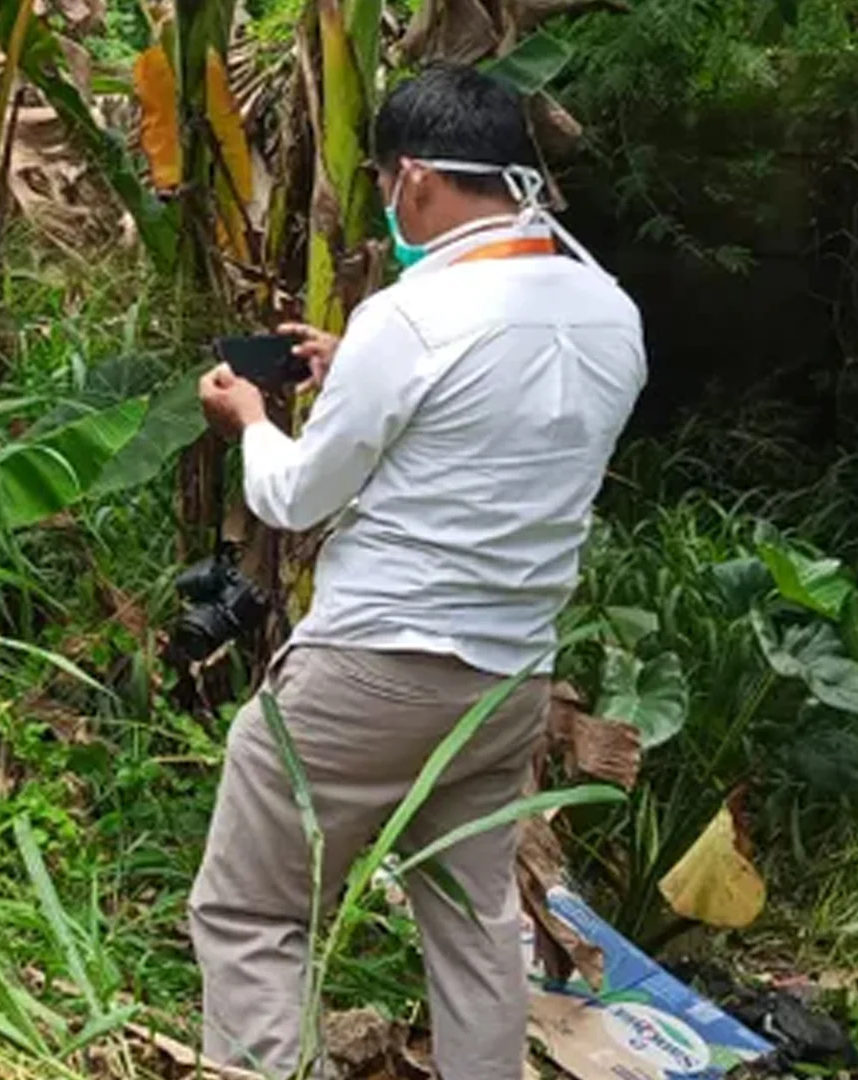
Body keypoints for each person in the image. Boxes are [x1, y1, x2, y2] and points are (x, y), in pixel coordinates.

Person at [191, 64, 646, 1080]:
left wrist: (251, 419)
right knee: (473, 924)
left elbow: (295, 497)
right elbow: (497, 416)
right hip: (506, 681)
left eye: (385, 181)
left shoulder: (411, 316)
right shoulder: (611, 309)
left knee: (255, 909)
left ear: (418, 180)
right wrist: (356, 360)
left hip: (373, 670)